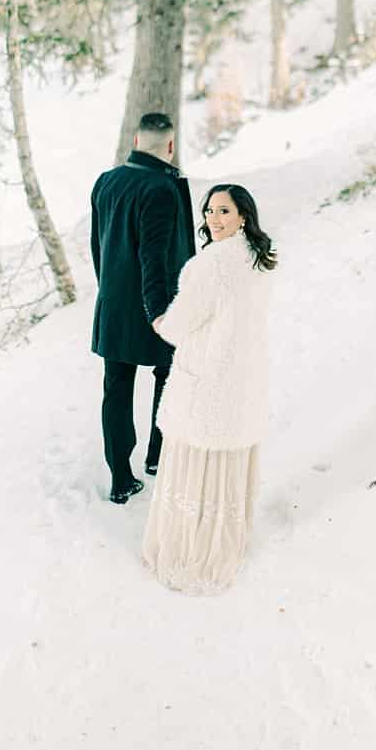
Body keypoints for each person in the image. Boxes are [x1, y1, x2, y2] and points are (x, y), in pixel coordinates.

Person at [142, 183, 277, 594]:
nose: (213, 220)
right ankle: (222, 542)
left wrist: (161, 324)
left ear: (243, 216)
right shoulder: (261, 260)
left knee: (194, 461)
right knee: (225, 466)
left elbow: (182, 323)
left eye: (223, 211)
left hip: (208, 377)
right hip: (243, 376)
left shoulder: (210, 265)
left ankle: (192, 549)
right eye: (209, 211)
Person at [89, 112, 196, 504]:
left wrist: (110, 292)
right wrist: (160, 314)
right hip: (156, 308)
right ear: (170, 145)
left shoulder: (106, 181)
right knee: (167, 378)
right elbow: (155, 258)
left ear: (136, 141)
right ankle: (157, 457)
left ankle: (121, 479)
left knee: (116, 390)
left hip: (114, 306)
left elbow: (97, 248)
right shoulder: (161, 189)